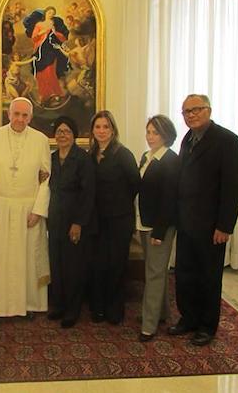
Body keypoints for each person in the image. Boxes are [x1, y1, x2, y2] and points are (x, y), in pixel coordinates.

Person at [169, 94, 238, 346]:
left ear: (208, 110)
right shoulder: (187, 139)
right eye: (186, 111)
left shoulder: (227, 141)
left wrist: (225, 225)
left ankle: (206, 326)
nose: (191, 115)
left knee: (208, 277)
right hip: (186, 221)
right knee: (185, 273)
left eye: (196, 109)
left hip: (211, 225)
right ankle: (188, 318)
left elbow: (233, 186)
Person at [0, 97, 51, 317]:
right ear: (9, 114)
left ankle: (28, 305)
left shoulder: (41, 140)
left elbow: (46, 178)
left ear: (30, 117)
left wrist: (39, 209)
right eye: (16, 114)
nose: (20, 119)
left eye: (24, 115)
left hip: (28, 208)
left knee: (27, 258)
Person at [89, 110, 140, 325]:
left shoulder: (123, 154)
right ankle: (98, 307)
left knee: (116, 264)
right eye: (98, 127)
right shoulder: (90, 154)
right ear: (92, 130)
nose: (101, 131)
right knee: (98, 264)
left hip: (119, 219)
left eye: (106, 127)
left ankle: (115, 308)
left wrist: (118, 202)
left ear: (113, 130)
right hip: (97, 220)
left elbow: (135, 185)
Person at [47, 116, 95, 328]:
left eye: (66, 131)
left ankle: (72, 310)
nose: (62, 135)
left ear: (74, 135)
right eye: (59, 131)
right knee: (56, 264)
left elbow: (88, 194)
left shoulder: (83, 159)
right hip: (55, 220)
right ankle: (57, 305)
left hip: (74, 222)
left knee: (72, 266)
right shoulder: (51, 157)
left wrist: (78, 223)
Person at [135, 115, 180, 342]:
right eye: (149, 132)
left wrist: (160, 233)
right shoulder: (147, 156)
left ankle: (148, 325)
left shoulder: (171, 161)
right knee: (155, 270)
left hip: (159, 226)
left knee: (154, 273)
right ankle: (161, 313)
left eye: (156, 133)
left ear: (166, 136)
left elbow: (170, 200)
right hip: (144, 222)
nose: (150, 137)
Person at [22, 6, 70, 104]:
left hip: (52, 50)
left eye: (53, 13)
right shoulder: (39, 24)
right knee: (42, 71)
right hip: (41, 50)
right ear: (45, 13)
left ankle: (54, 93)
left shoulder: (54, 24)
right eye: (49, 12)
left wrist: (54, 32)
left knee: (50, 70)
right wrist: (42, 32)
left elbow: (61, 38)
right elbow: (34, 37)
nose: (51, 14)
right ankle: (45, 94)